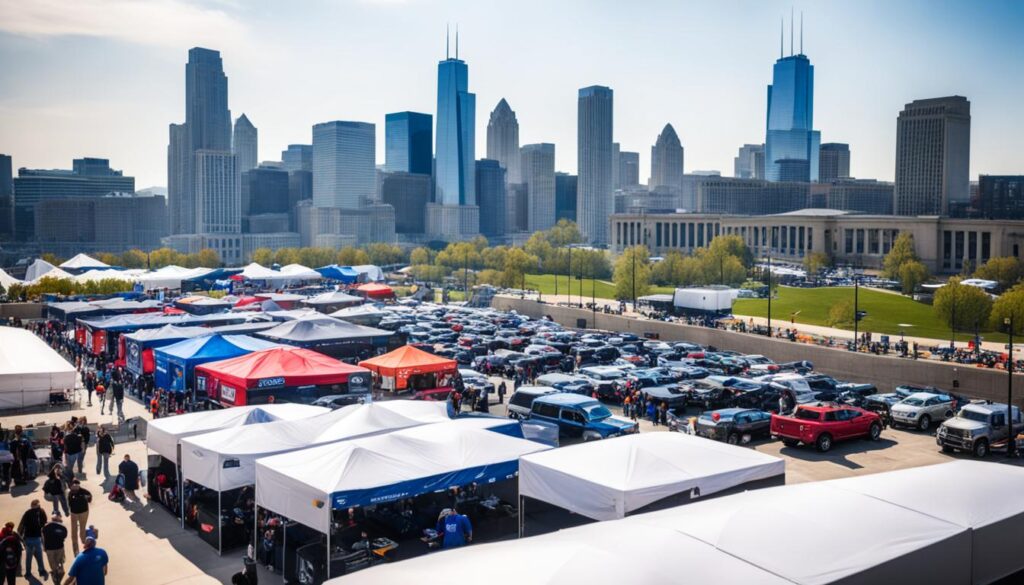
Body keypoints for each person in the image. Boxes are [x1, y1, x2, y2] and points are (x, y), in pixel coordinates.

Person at [18, 499, 48, 581]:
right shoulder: (41, 512)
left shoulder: (27, 512)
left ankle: (28, 573)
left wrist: (20, 536)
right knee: (39, 556)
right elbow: (45, 522)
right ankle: (41, 570)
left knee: (29, 557)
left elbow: (21, 524)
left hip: (28, 538)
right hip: (37, 538)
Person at [66, 481, 91, 556]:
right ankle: (75, 549)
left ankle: (85, 544)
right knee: (74, 530)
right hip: (74, 513)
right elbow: (69, 502)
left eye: (75, 486)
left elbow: (89, 498)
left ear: (78, 486)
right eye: (73, 487)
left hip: (83, 512)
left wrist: (87, 498)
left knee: (82, 529)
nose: (74, 488)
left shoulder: (84, 492)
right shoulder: (70, 493)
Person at [43, 514, 68, 585]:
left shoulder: (45, 527)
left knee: (52, 562)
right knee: (60, 560)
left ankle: (55, 574)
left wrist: (44, 547)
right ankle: (60, 570)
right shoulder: (63, 527)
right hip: (59, 547)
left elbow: (43, 538)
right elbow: (64, 536)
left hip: (49, 548)